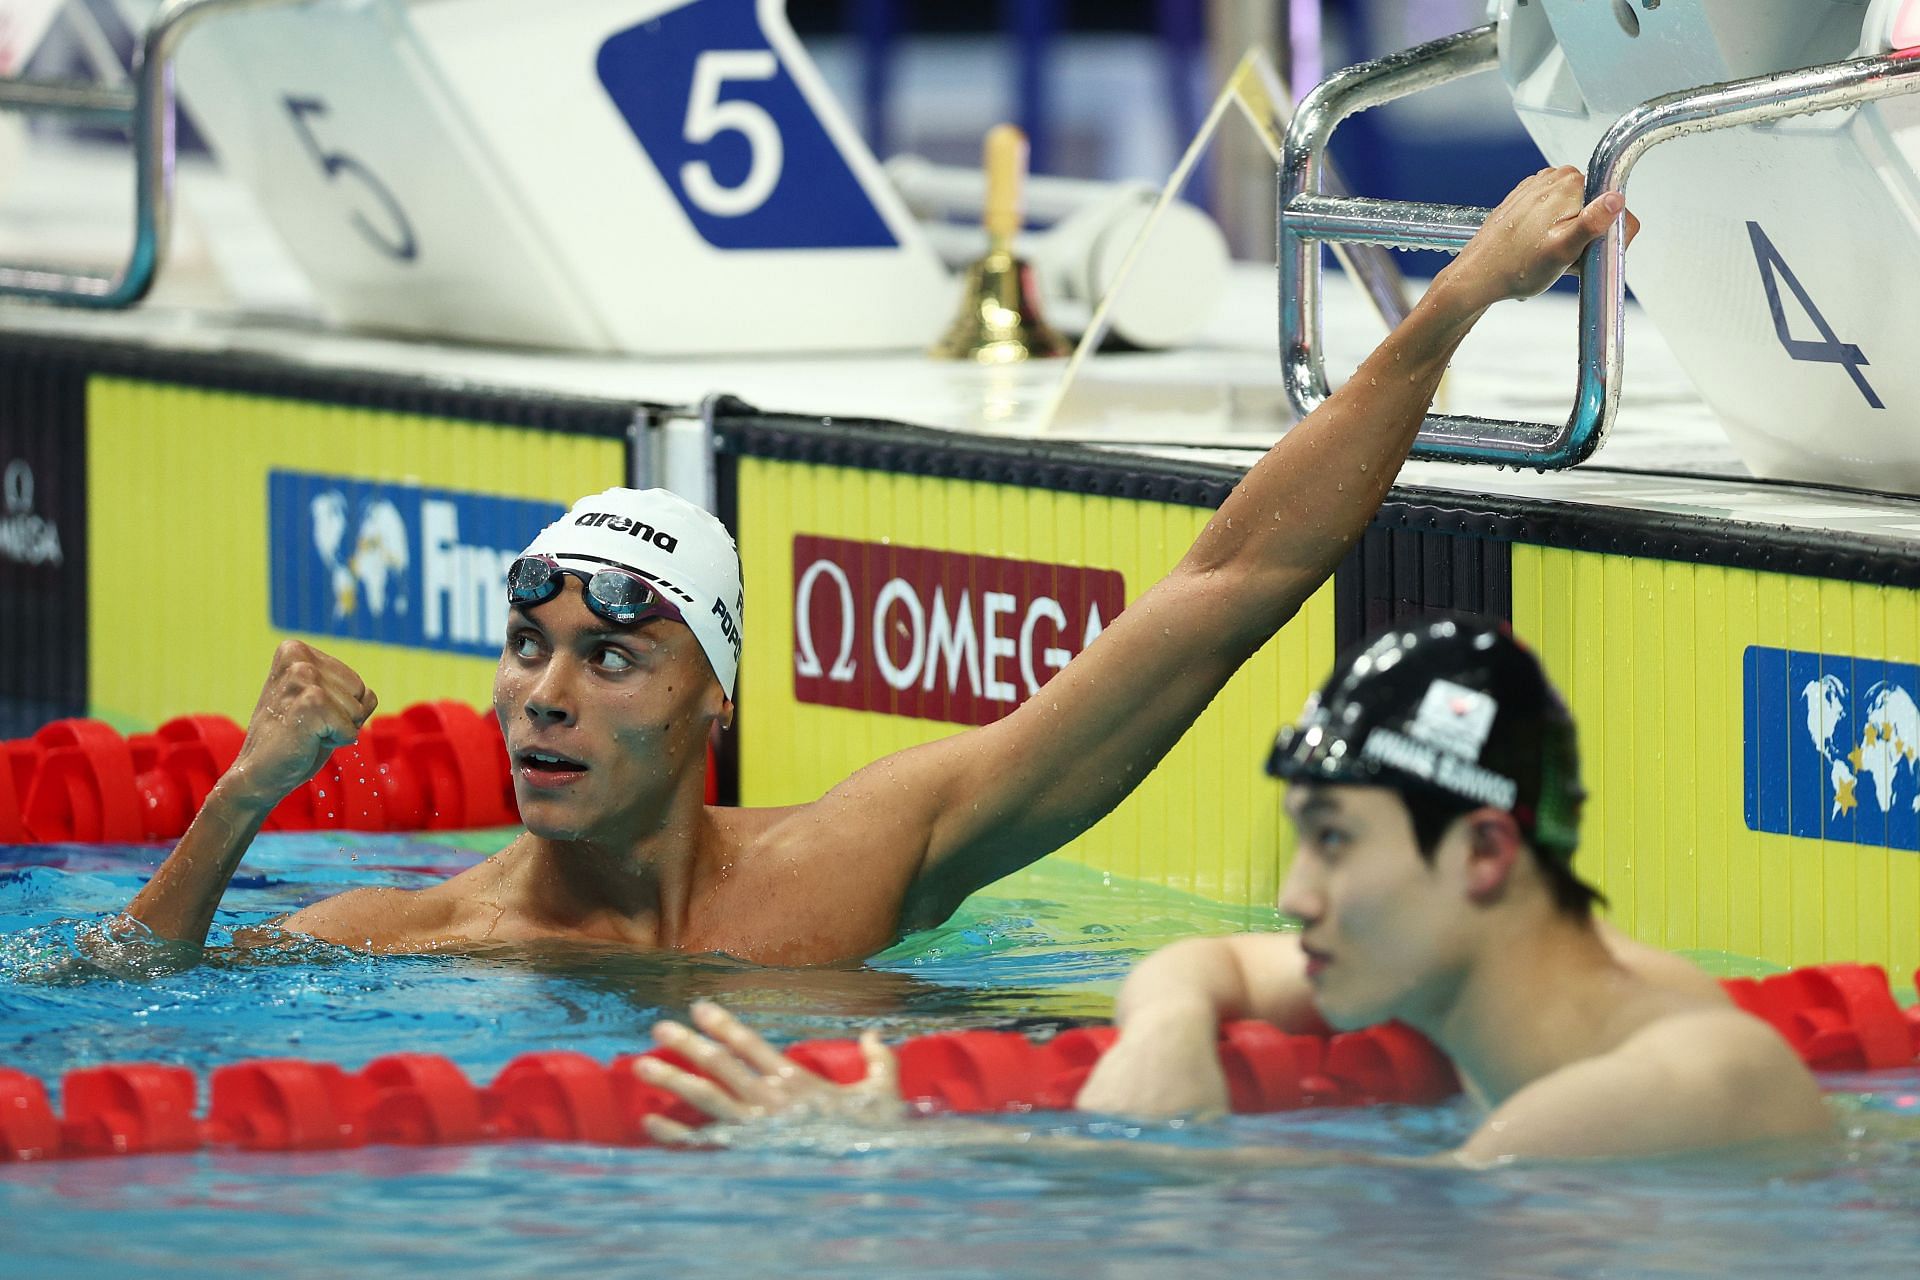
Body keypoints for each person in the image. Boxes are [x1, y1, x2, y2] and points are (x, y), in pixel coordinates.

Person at [120, 169, 1639, 967]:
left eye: (611, 656)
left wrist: (1444, 313)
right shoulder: (417, 941)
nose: (548, 698)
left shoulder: (859, 858)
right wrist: (241, 799)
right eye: (531, 652)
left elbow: (1222, 588)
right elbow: (115, 1000)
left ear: (712, 703)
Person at [631, 619, 1832, 1164]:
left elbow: (1388, 1211)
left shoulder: (1661, 1082)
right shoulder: (1488, 969)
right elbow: (1204, 961)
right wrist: (1164, 1024)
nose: (1293, 896)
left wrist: (900, 1138)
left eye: (1333, 843)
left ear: (1481, 855)